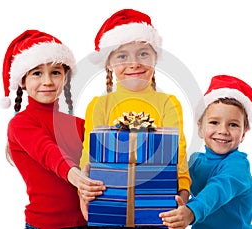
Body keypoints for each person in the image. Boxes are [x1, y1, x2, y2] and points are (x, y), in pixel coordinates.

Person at [79, 8, 191, 221]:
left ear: (155, 58)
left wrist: (183, 192)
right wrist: (83, 195)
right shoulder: (99, 105)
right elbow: (88, 156)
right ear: (110, 64)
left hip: (158, 206)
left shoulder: (168, 103)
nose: (134, 63)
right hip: (108, 205)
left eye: (143, 53)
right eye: (122, 56)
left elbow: (179, 154)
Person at [1, 29, 105, 229]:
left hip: (87, 222)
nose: (47, 81)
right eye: (37, 73)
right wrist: (76, 177)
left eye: (55, 72)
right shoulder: (20, 124)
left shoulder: (79, 124)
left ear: (65, 78)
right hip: (43, 225)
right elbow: (48, 152)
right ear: (23, 80)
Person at [159, 75, 252, 229]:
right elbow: (173, 178)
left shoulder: (238, 165)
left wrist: (191, 211)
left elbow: (217, 190)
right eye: (214, 122)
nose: (223, 131)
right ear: (200, 128)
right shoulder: (195, 163)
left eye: (233, 125)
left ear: (243, 133)